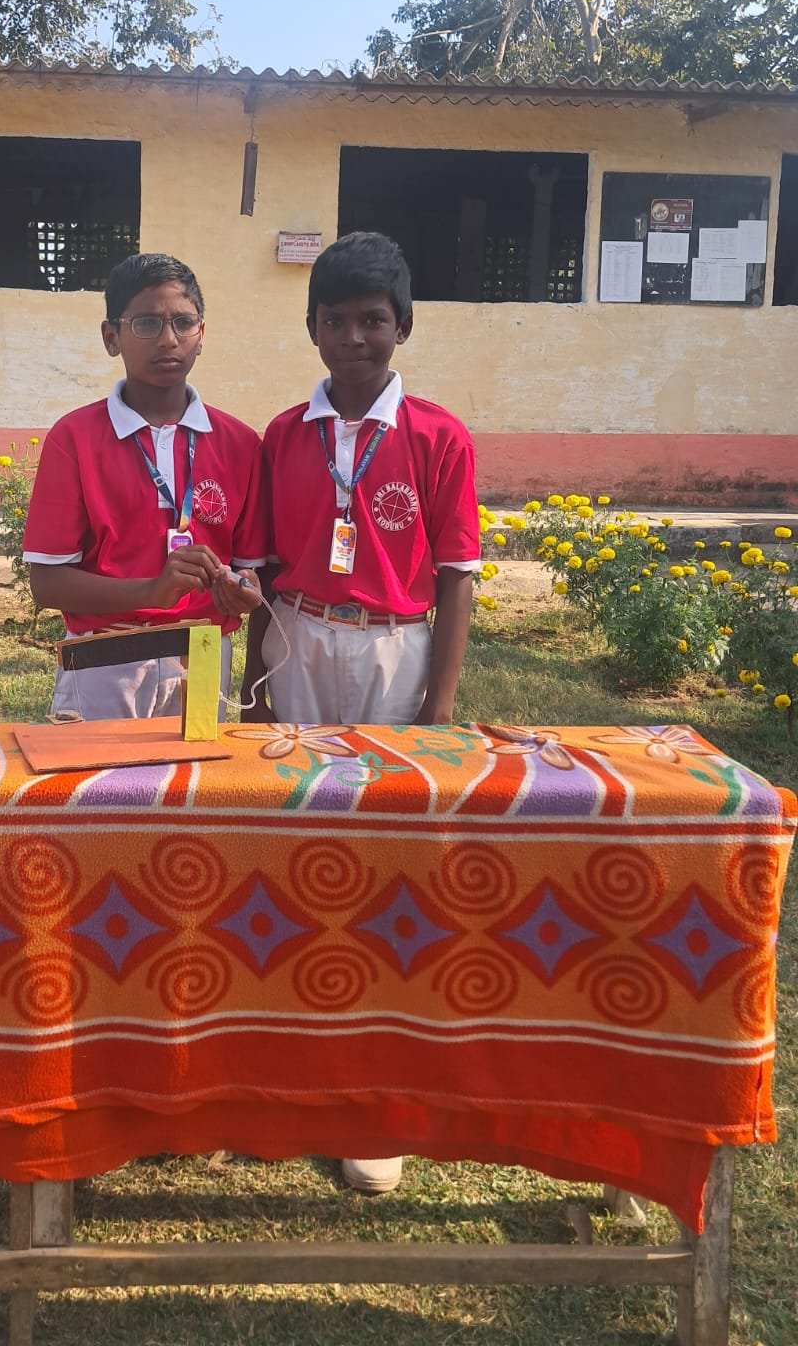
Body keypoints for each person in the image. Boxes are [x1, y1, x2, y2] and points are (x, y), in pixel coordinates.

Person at [242, 228, 481, 1195]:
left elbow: (457, 576)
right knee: (292, 838)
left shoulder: (438, 436)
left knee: (388, 855)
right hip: (298, 634)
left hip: (395, 645)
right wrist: (256, 686)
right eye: (335, 321)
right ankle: (287, 1066)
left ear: (403, 326)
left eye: (373, 320)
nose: (354, 338)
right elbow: (261, 569)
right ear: (312, 330)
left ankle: (376, 1103)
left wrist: (439, 707)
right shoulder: (281, 436)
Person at [23, 252, 266, 720]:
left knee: (193, 766)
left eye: (183, 323)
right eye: (147, 323)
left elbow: (251, 571)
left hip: (202, 652)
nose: (168, 339)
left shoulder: (239, 444)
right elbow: (47, 583)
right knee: (100, 769)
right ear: (111, 337)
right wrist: (152, 592)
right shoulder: (74, 439)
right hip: (105, 655)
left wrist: (243, 590)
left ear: (201, 334)